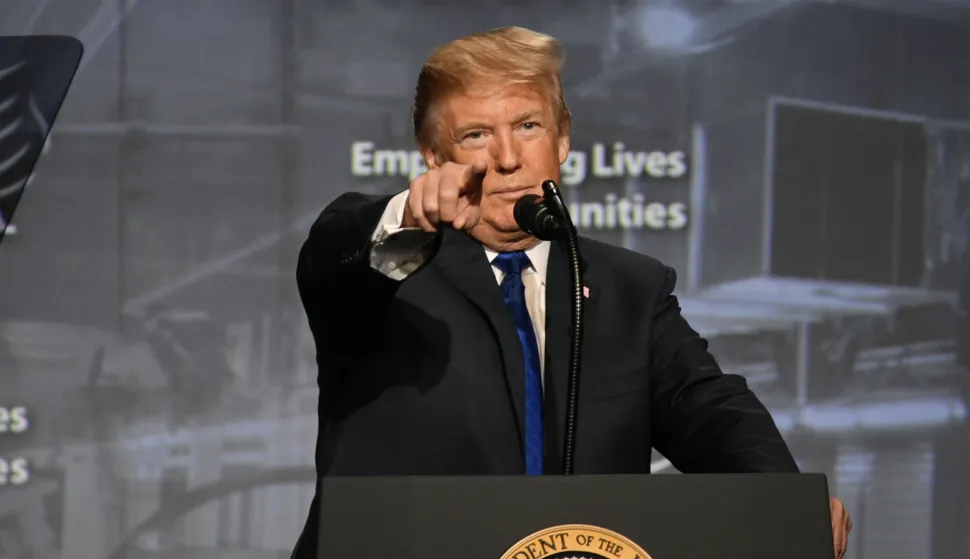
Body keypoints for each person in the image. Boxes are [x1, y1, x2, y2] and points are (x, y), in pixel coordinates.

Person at [292, 26, 852, 559]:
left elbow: (709, 409)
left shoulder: (631, 286)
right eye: (476, 135)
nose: (507, 158)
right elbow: (331, 256)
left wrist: (786, 500)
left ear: (562, 137)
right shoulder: (390, 269)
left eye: (528, 126)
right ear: (435, 157)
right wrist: (408, 215)